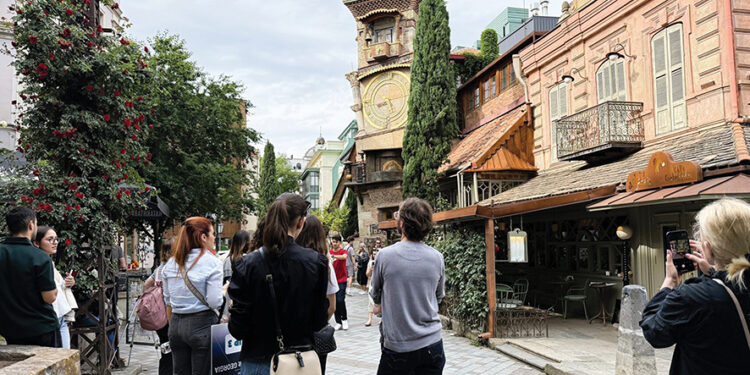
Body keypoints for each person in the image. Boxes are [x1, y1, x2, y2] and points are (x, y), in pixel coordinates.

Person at [640, 198, 750, 374]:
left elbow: (655, 332)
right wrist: (714, 273)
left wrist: (669, 284)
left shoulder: (692, 296)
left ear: (708, 247)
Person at [228, 193, 329, 374]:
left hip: (257, 360)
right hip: (297, 363)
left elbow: (237, 329)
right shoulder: (315, 263)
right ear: (300, 223)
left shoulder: (247, 264)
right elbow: (319, 321)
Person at [370, 198, 446, 375]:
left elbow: (375, 292)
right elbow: (439, 296)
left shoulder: (385, 256)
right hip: (432, 345)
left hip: (398, 346)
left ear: (401, 223)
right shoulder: (437, 257)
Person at [162, 217, 223, 375]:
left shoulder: (171, 264)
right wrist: (223, 291)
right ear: (203, 237)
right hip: (201, 324)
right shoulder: (212, 263)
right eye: (212, 234)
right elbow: (214, 302)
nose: (214, 237)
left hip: (176, 324)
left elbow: (168, 300)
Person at [0, 207, 60, 347]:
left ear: (9, 227)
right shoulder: (39, 257)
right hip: (41, 327)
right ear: (31, 225)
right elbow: (49, 297)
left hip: (10, 327)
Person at [296, 214, 339, 374]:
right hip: (316, 334)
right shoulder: (325, 264)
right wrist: (318, 321)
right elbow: (332, 306)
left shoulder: (290, 260)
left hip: (293, 333)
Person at [33, 226, 77, 349]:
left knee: (65, 356)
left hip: (61, 316)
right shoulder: (39, 263)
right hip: (50, 318)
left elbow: (58, 287)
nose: (55, 242)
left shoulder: (50, 263)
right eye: (50, 239)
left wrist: (68, 283)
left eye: (56, 239)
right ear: (37, 243)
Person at [143, 239, 174, 375]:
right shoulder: (173, 268)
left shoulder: (159, 269)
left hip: (158, 316)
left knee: (165, 349)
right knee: (172, 352)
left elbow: (145, 285)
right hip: (169, 315)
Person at [330, 234, 349, 330]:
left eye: (336, 242)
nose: (334, 244)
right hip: (332, 281)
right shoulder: (329, 252)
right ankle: (338, 322)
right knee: (334, 302)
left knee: (340, 300)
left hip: (342, 279)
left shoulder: (343, 251)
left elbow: (344, 257)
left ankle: (344, 319)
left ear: (340, 242)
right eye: (333, 242)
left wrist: (333, 256)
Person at [365, 248, 379, 327]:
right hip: (372, 284)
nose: (375, 255)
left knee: (380, 300)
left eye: (377, 254)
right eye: (374, 254)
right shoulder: (371, 263)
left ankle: (381, 318)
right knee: (370, 300)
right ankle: (370, 319)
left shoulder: (382, 262)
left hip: (380, 284)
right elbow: (367, 274)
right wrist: (371, 269)